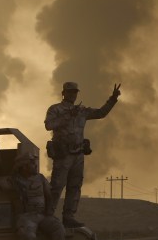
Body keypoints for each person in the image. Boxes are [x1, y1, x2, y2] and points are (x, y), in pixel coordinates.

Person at [45, 81, 121, 228]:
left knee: (75, 186)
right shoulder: (56, 109)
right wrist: (68, 116)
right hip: (63, 155)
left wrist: (113, 99)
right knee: (56, 186)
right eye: (70, 92)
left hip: (78, 154)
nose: (73, 95)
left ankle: (69, 217)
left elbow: (101, 113)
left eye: (75, 92)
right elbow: (49, 125)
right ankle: (48, 216)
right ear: (64, 93)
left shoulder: (82, 111)